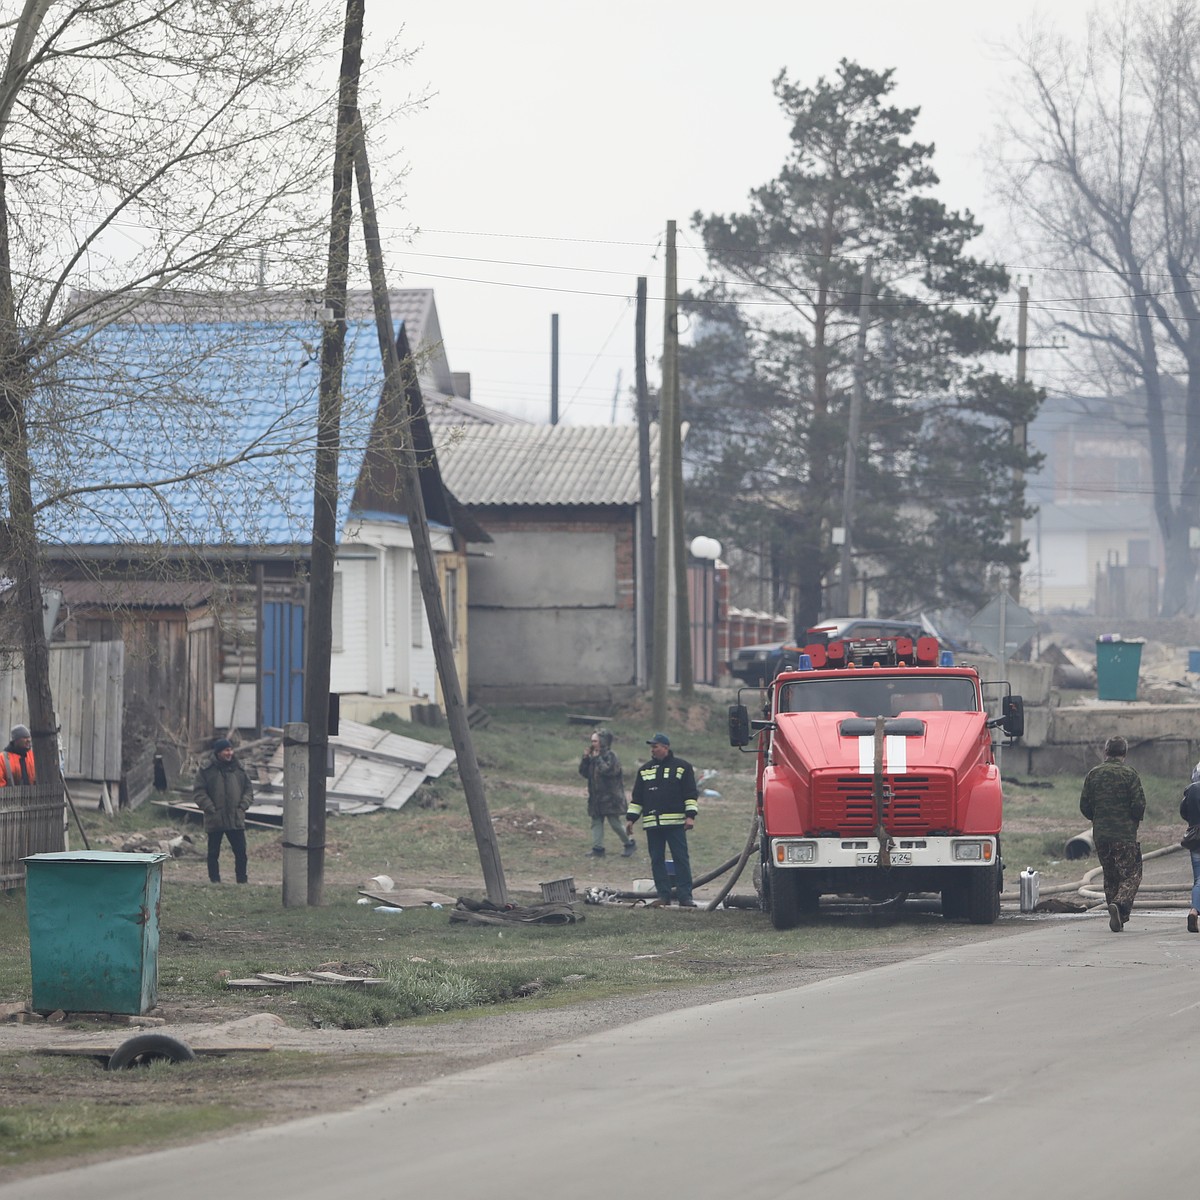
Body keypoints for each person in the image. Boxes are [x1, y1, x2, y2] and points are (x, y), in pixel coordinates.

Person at [1079, 735, 1146, 932]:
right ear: (1124, 753)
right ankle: (1119, 904)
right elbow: (1139, 804)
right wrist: (1133, 820)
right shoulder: (1130, 774)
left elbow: (1084, 805)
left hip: (1101, 835)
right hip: (1124, 835)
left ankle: (1119, 918)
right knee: (1132, 874)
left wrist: (1097, 819)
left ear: (1105, 752)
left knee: (1110, 875)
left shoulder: (1093, 774)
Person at [626, 732, 699, 907]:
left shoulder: (682, 767)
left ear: (665, 748)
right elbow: (637, 799)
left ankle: (685, 896)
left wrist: (690, 816)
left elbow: (690, 794)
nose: (652, 750)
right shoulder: (644, 770)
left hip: (675, 824)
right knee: (657, 860)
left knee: (680, 859)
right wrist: (631, 819)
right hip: (652, 824)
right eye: (651, 747)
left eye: (655, 746)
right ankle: (663, 896)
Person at [193, 736, 253, 884]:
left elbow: (248, 790)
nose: (230, 753)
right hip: (215, 818)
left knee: (241, 852)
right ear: (218, 752)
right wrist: (210, 808)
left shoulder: (239, 769)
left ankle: (242, 880)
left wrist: (243, 806)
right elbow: (199, 792)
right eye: (226, 750)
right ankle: (214, 880)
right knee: (213, 853)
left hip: (235, 817)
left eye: (231, 750)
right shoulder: (206, 770)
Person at [579, 728, 635, 858]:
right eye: (592, 741)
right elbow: (584, 773)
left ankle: (629, 843)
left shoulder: (611, 756)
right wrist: (586, 759)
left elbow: (609, 771)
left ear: (603, 742)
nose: (593, 743)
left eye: (595, 741)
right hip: (596, 797)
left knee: (615, 823)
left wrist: (597, 759)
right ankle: (598, 849)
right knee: (596, 822)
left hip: (611, 797)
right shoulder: (594, 756)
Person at [1180, 775, 1200, 933]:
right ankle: (1194, 911)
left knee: (1198, 879)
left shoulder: (1191, 789)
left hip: (1196, 838)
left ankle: (1195, 910)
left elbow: (1183, 812)